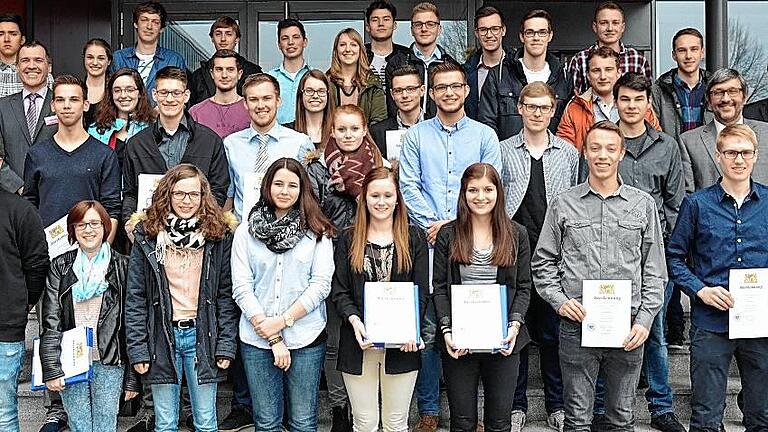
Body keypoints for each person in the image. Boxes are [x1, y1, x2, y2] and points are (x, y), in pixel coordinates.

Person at [532, 121, 666, 431]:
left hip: (628, 330)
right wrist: (559, 301)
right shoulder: (563, 204)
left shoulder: (642, 205)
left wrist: (644, 321)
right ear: (585, 152)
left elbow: (655, 271)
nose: (602, 155)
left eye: (609, 148)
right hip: (577, 326)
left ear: (621, 153)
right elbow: (543, 262)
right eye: (595, 148)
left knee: (622, 418)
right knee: (577, 419)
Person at [399, 62, 500, 432]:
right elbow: (408, 186)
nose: (448, 93)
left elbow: (491, 186)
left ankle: (472, 412)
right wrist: (438, 227)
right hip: (427, 241)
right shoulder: (415, 137)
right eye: (440, 87)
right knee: (429, 322)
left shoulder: (485, 136)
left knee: (474, 318)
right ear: (431, 92)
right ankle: (428, 408)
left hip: (475, 242)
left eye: (455, 86)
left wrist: (456, 226)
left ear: (466, 90)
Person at [584, 72, 686, 432]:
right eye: (624, 99)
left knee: (654, 332)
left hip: (650, 256)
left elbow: (675, 204)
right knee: (601, 335)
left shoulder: (667, 146)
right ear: (616, 101)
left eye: (638, 100)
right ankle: (599, 408)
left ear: (648, 104)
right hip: (604, 255)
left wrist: (667, 254)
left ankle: (661, 407)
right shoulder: (603, 143)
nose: (631, 106)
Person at [667, 124, 768, 432]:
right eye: (731, 153)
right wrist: (700, 290)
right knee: (706, 417)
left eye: (745, 153)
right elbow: (674, 258)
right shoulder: (697, 204)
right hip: (710, 322)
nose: (739, 160)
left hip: (760, 324)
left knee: (762, 417)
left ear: (755, 156)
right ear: (718, 156)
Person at [125, 164, 239, 432]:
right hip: (163, 337)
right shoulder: (148, 236)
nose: (186, 201)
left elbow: (225, 295)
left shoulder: (217, 236)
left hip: (203, 335)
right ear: (167, 195)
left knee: (206, 422)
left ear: (203, 197)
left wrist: (225, 344)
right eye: (179, 194)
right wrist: (138, 348)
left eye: (194, 194)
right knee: (165, 424)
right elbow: (136, 296)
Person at [231, 157, 335, 431]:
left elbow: (321, 285)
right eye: (278, 183)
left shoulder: (318, 232)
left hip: (305, 337)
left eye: (292, 185)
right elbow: (241, 286)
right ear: (267, 186)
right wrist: (271, 332)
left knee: (302, 421)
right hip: (257, 337)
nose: (284, 191)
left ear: (303, 189)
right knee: (266, 422)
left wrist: (284, 320)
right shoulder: (245, 232)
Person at [500, 81, 578, 432]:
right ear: (520, 108)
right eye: (530, 106)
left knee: (551, 334)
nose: (536, 113)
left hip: (554, 255)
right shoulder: (502, 151)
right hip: (513, 254)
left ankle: (557, 405)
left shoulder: (568, 153)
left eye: (543, 107)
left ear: (553, 110)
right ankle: (515, 406)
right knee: (514, 332)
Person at [432, 162, 531, 432]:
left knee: (499, 423)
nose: (481, 196)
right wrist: (447, 330)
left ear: (498, 192)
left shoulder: (516, 234)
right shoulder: (448, 234)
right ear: (463, 194)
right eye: (473, 190)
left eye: (488, 189)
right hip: (459, 341)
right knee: (462, 422)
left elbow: (523, 287)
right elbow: (439, 286)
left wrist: (514, 324)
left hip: (503, 340)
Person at [331, 166, 429, 432]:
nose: (381, 202)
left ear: (398, 198)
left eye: (388, 195)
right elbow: (339, 290)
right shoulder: (348, 237)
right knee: (364, 423)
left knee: (396, 423)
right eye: (375, 196)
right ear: (363, 197)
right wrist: (354, 320)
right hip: (358, 342)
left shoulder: (415, 237)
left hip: (403, 345)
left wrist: (413, 329)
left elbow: (421, 291)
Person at [305, 105, 384, 431]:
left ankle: (370, 404)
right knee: (337, 340)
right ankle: (340, 408)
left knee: (376, 335)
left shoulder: (380, 168)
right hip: (334, 260)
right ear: (332, 132)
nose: (348, 135)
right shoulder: (319, 171)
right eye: (342, 129)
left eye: (354, 129)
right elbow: (311, 214)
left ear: (365, 130)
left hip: (375, 261)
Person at [40, 200, 140, 432]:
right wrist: (52, 369)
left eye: (94, 223)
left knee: (106, 426)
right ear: (73, 230)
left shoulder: (123, 266)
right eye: (81, 224)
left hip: (110, 361)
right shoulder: (60, 267)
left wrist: (132, 377)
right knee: (79, 425)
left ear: (106, 227)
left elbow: (133, 324)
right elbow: (51, 321)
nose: (88, 230)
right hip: (71, 361)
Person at [651, 27, 709, 350]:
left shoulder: (712, 86)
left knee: (703, 250)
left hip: (707, 167)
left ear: (702, 52)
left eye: (693, 49)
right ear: (673, 55)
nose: (688, 55)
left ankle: (704, 323)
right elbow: (657, 128)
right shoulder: (661, 89)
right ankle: (675, 327)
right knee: (673, 248)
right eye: (681, 50)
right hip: (673, 170)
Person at [122, 66, 230, 230]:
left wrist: (202, 224)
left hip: (198, 235)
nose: (170, 99)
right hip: (150, 235)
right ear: (154, 95)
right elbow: (130, 193)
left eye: (176, 93)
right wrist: (130, 224)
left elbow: (218, 190)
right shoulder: (136, 144)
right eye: (164, 92)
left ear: (186, 96)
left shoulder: (210, 141)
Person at [23, 75, 121, 232]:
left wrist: (102, 251)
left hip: (90, 246)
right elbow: (29, 205)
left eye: (74, 99)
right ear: (53, 105)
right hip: (47, 248)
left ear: (86, 105)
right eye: (60, 100)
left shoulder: (105, 155)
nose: (66, 106)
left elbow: (112, 208)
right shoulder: (36, 154)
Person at [0, 148, 49, 432]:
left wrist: (21, 305)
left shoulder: (21, 210)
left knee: (4, 414)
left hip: (5, 330)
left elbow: (37, 265)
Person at [223, 73, 314, 221]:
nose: (260, 105)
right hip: (243, 233)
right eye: (253, 99)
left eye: (267, 98)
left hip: (287, 234)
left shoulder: (300, 143)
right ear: (245, 104)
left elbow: (309, 195)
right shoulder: (231, 144)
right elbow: (229, 195)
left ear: (278, 101)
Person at [477, 9, 572, 140]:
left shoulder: (564, 77)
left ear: (550, 36)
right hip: (508, 157)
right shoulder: (499, 75)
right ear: (522, 36)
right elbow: (487, 124)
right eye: (530, 32)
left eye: (542, 32)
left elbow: (568, 126)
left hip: (552, 157)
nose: (536, 38)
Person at [680, 68, 768, 193]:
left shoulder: (766, 134)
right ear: (708, 101)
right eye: (718, 92)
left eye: (733, 91)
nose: (725, 99)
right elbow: (687, 196)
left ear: (744, 97)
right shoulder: (688, 142)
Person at [557, 46, 658, 152]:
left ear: (619, 73)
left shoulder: (638, 106)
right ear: (588, 75)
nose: (603, 76)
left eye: (608, 69)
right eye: (596, 71)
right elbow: (564, 152)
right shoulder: (575, 108)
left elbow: (657, 145)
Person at [384, 1, 460, 120]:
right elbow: (392, 106)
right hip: (405, 131)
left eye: (430, 24)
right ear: (412, 30)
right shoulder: (397, 63)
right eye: (418, 24)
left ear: (439, 29)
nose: (424, 29)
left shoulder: (451, 66)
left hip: (441, 131)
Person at [0, 40, 57, 195]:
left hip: (53, 195)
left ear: (49, 67)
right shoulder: (2, 107)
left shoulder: (62, 104)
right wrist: (18, 186)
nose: (31, 66)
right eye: (25, 60)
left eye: (38, 60)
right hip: (10, 199)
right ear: (17, 67)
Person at [567, 1, 652, 95]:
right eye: (604, 23)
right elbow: (573, 98)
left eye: (615, 23)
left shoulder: (637, 59)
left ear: (622, 27)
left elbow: (647, 98)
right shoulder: (580, 59)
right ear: (595, 27)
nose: (610, 28)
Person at [110, 1, 187, 97]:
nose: (149, 26)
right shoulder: (119, 58)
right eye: (144, 20)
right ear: (135, 24)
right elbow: (111, 94)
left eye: (155, 22)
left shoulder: (174, 60)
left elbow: (180, 96)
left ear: (162, 28)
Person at [88, 68, 155, 173]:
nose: (123, 95)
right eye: (117, 90)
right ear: (111, 94)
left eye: (130, 90)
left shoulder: (152, 128)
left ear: (140, 93)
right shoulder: (95, 130)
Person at [189, 16, 262, 106]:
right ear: (212, 38)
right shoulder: (198, 76)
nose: (223, 39)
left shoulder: (253, 72)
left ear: (237, 39)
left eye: (228, 34)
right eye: (218, 34)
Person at [327, 28, 387, 127]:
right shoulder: (326, 82)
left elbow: (379, 122)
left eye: (353, 45)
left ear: (361, 50)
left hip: (366, 139)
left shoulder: (373, 83)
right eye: (342, 45)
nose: (347, 49)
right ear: (336, 50)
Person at [189, 49, 251, 139]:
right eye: (219, 69)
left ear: (239, 74)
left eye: (230, 70)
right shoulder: (195, 113)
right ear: (212, 74)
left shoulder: (251, 110)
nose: (224, 75)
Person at [370, 65, 425, 159]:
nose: (404, 95)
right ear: (392, 94)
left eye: (410, 89)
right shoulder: (377, 132)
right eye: (398, 91)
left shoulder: (438, 126)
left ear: (422, 90)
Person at [463, 5, 507, 120]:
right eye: (483, 30)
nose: (489, 35)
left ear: (503, 30)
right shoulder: (466, 72)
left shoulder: (518, 67)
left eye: (495, 29)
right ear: (476, 33)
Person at [267, 19, 311, 125]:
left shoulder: (314, 77)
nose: (290, 42)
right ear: (279, 44)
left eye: (296, 37)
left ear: (305, 42)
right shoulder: (269, 79)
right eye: (285, 38)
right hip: (277, 138)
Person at [0, 14, 53, 98]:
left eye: (13, 34)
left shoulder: (41, 73)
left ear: (22, 40)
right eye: (1, 34)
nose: (6, 39)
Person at [364, 1, 409, 93]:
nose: (381, 23)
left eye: (386, 19)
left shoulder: (407, 56)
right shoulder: (358, 54)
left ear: (394, 25)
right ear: (368, 27)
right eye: (375, 20)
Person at [288, 69, 336, 150]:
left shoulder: (338, 131)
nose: (315, 96)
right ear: (301, 95)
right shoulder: (288, 132)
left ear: (328, 94)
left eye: (321, 91)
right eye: (309, 91)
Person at [81, 38, 112, 126]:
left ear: (108, 61)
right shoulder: (76, 89)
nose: (95, 62)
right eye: (90, 57)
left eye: (101, 58)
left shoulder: (115, 90)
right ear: (84, 59)